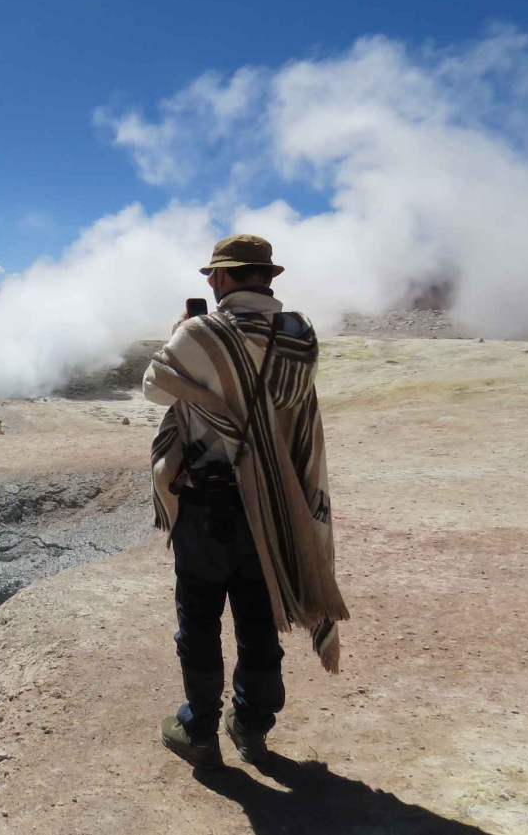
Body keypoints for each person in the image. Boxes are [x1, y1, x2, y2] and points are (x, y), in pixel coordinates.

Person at [142, 234, 349, 768]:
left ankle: (200, 731)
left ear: (229, 277)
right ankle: (252, 724)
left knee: (200, 620)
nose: (210, 283)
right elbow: (293, 411)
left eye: (214, 275)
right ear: (268, 277)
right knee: (260, 618)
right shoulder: (300, 336)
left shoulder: (201, 333)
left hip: (209, 506)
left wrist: (179, 338)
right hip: (275, 506)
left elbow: (155, 390)